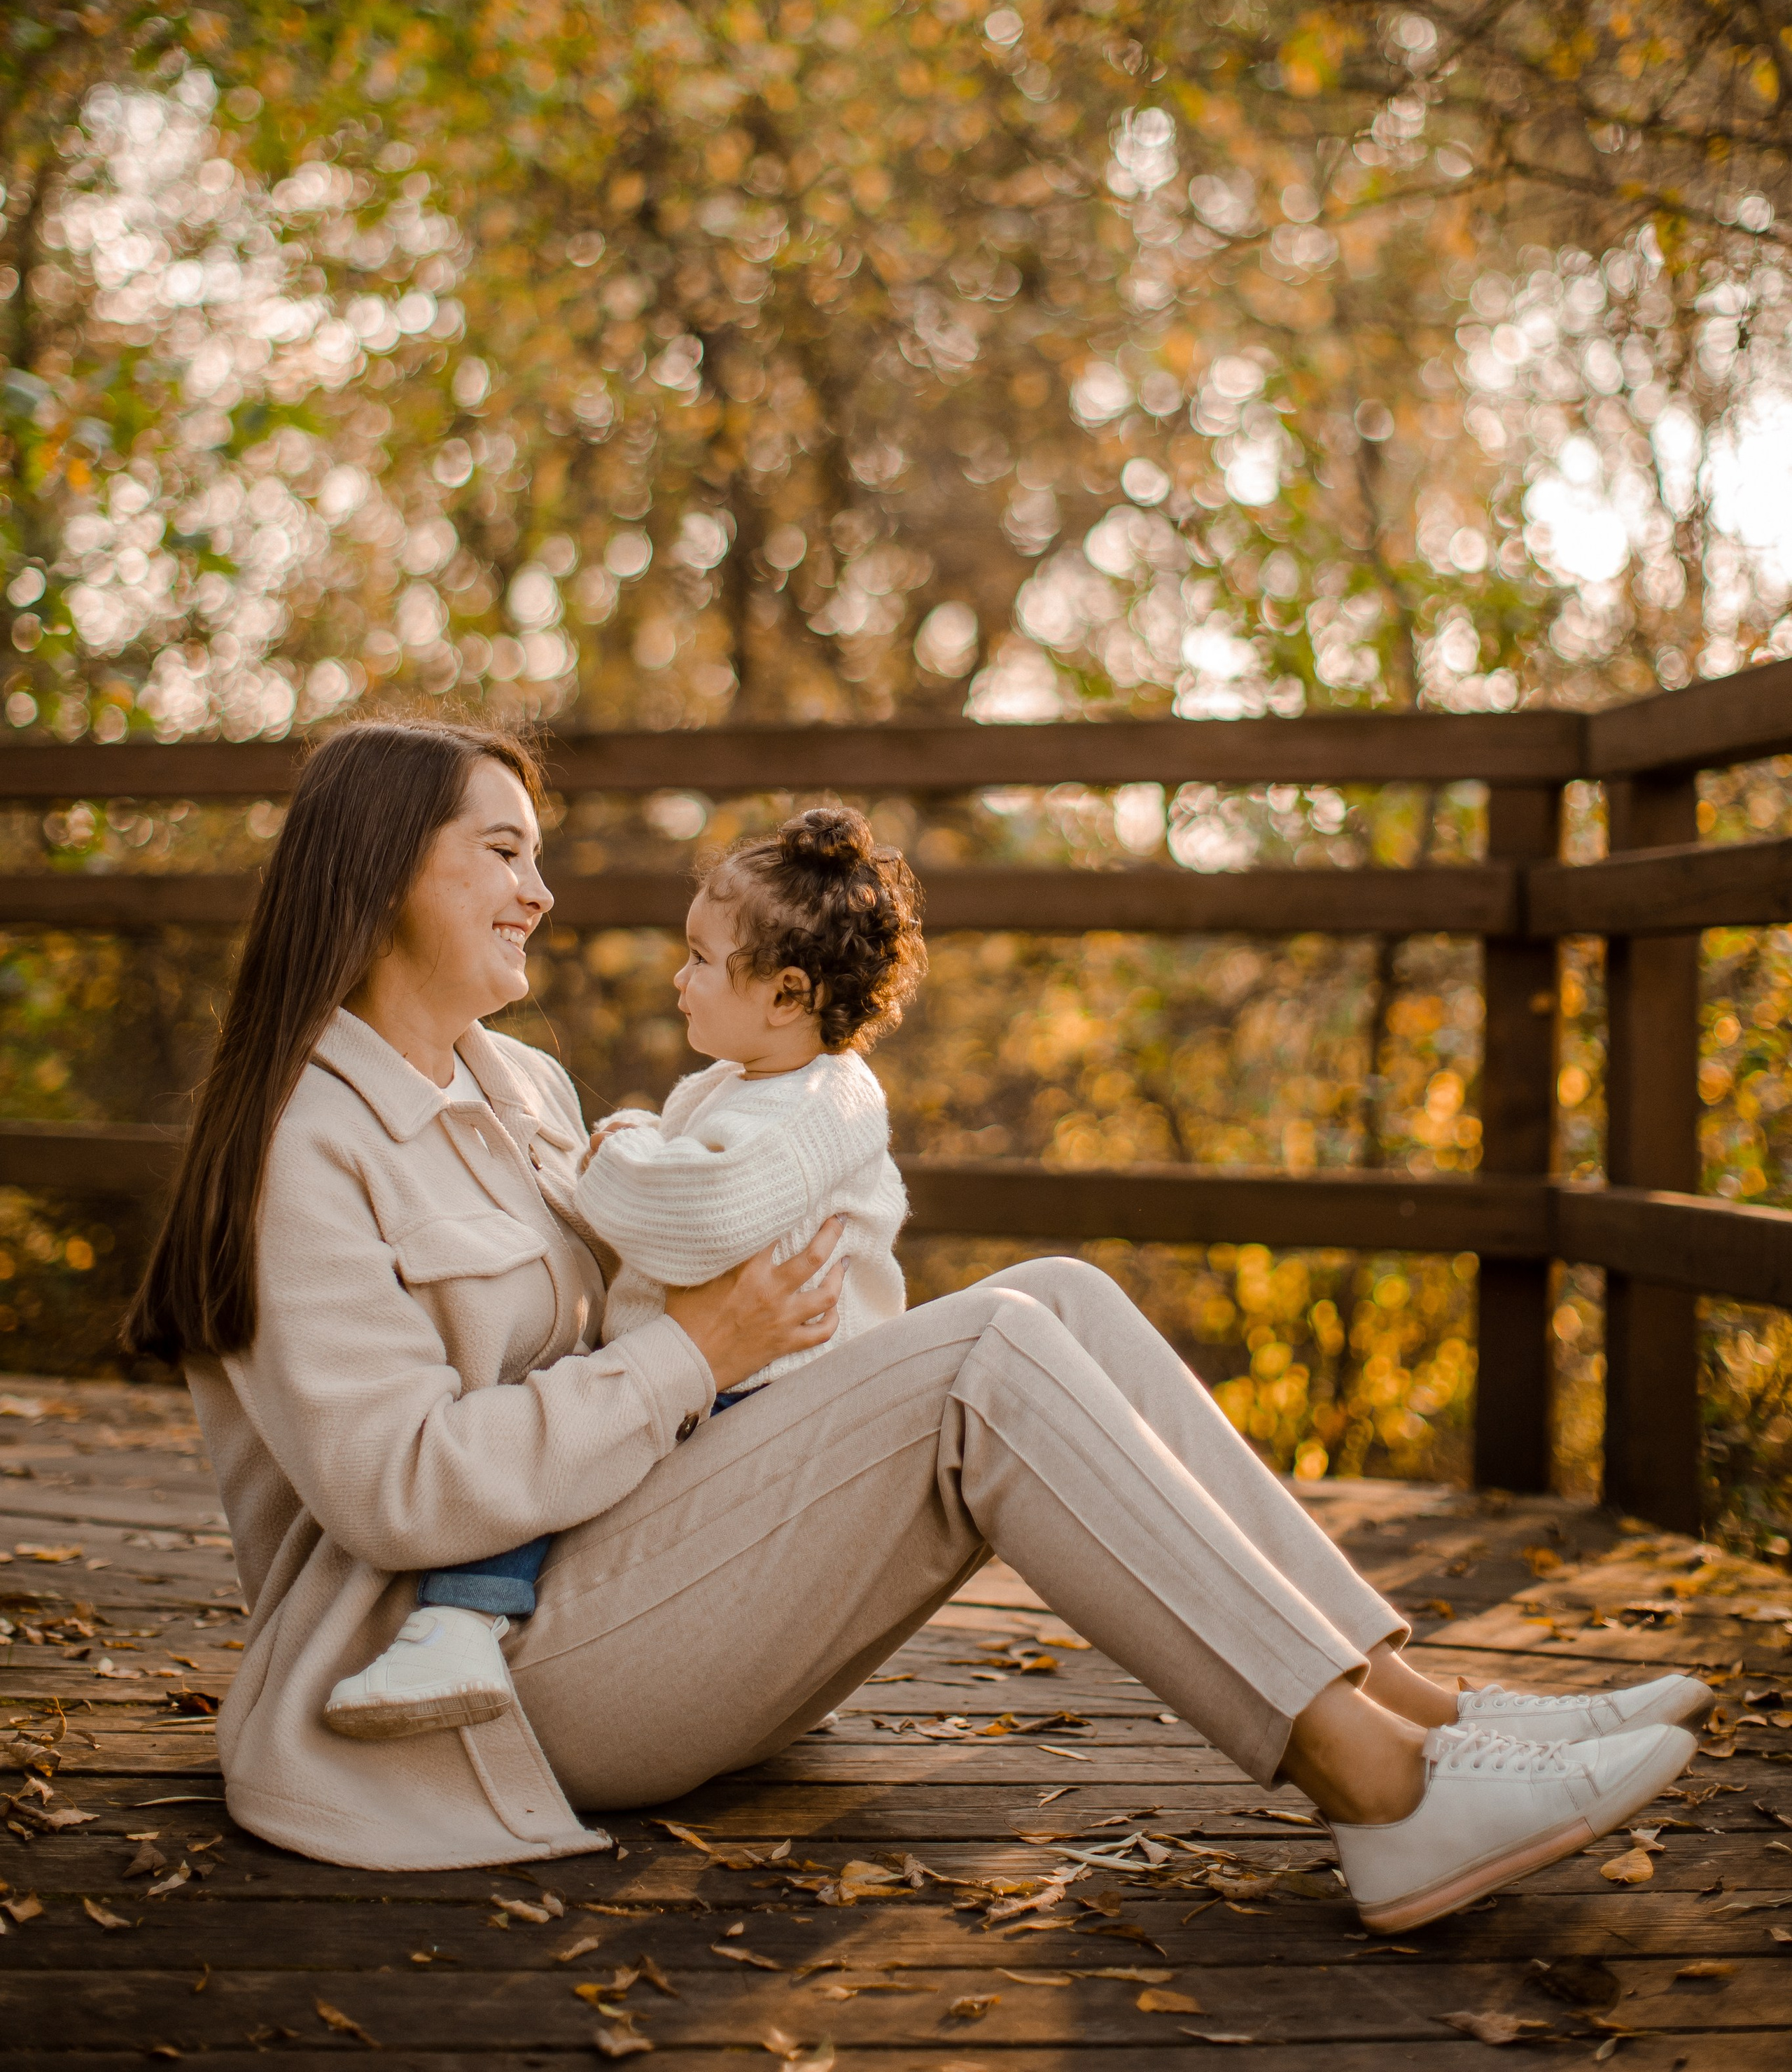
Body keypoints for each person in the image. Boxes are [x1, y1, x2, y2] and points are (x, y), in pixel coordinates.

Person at [122, 719, 1710, 1930]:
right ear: (380, 870)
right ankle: (1377, 1792)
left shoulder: (516, 1085)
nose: (541, 890)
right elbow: (399, 1491)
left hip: (632, 1569)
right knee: (980, 1359)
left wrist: (717, 1346)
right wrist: (700, 1356)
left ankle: (1435, 1719)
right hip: (471, 1682)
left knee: (1056, 1300)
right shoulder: (300, 1143)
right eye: (501, 852)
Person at [323, 802, 925, 1740]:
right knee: (563, 1430)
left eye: (698, 958)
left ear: (784, 994)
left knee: (575, 1427)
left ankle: (459, 1622)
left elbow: (692, 1220)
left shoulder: (829, 1099)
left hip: (771, 1400)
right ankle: (459, 1628)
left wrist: (619, 1149)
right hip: (708, 1384)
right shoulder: (735, 1085)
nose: (678, 977)